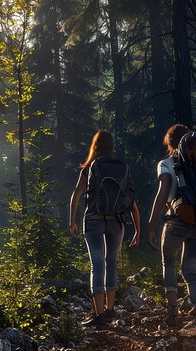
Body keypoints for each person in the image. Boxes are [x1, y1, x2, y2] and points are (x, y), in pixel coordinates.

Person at [146, 124, 196, 329]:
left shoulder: (166, 163)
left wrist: (151, 225)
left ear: (170, 143)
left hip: (176, 221)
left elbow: (162, 195)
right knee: (191, 272)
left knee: (169, 263)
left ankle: (172, 314)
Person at [69, 130, 141, 328]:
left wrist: (72, 221)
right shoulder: (122, 168)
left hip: (93, 219)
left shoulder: (91, 167)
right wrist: (137, 229)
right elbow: (132, 201)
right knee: (112, 263)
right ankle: (110, 310)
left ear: (95, 146)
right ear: (111, 147)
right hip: (117, 221)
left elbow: (76, 194)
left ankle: (98, 315)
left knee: (97, 264)